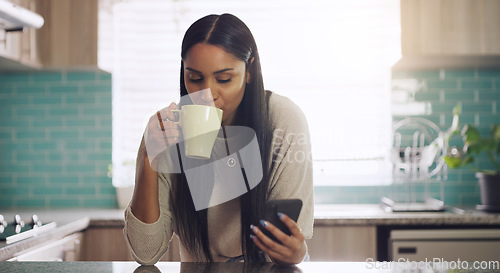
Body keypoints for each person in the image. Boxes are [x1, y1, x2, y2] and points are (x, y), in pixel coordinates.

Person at [124, 13, 314, 265]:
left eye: (224, 79)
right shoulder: (167, 130)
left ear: (249, 71)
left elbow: (287, 244)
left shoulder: (283, 121)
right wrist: (148, 157)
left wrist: (296, 253)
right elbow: (145, 254)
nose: (206, 94)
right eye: (194, 78)